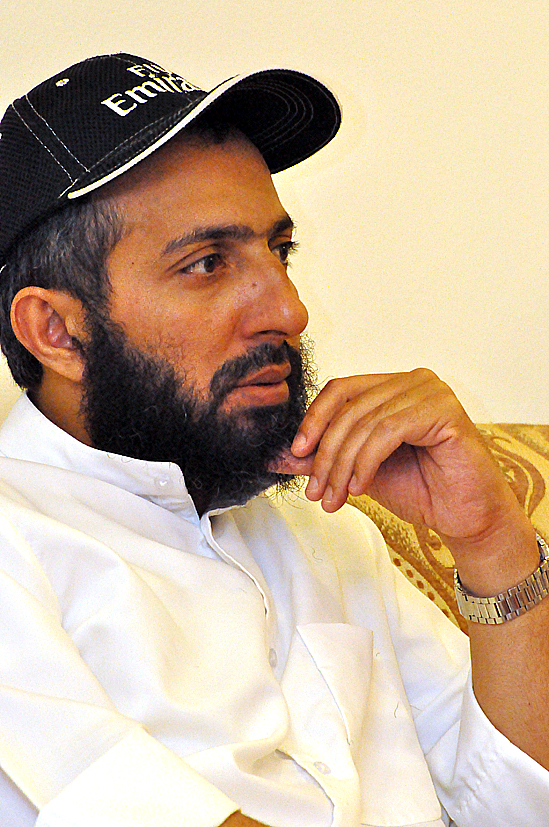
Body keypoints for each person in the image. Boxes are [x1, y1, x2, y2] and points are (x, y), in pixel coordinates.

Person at [0, 52, 547, 827]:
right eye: (207, 264)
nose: (288, 310)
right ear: (55, 329)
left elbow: (522, 806)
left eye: (277, 252)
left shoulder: (324, 525)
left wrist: (493, 540)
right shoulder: (13, 543)